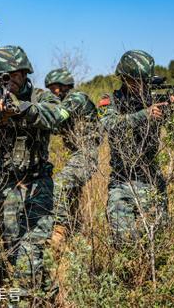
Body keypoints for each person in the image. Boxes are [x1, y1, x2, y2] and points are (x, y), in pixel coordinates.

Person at [0, 45, 67, 300]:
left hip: (38, 184)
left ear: (25, 72)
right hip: (7, 187)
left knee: (31, 251)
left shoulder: (41, 97)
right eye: (2, 77)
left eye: (13, 75)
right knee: (16, 252)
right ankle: (47, 297)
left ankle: (33, 299)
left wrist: (27, 110)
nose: (9, 81)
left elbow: (58, 117)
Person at [99, 50, 174, 246]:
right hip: (121, 181)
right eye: (133, 80)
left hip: (152, 180)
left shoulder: (156, 98)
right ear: (123, 78)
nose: (139, 86)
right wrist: (144, 114)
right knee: (123, 242)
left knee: (157, 242)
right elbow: (108, 124)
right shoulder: (110, 100)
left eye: (142, 81)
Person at [44, 68, 100, 246]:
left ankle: (58, 231)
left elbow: (58, 117)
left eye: (55, 88)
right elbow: (52, 128)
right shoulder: (64, 102)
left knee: (59, 185)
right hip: (75, 155)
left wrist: (44, 108)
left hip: (86, 153)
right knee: (72, 200)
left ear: (65, 86)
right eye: (50, 89)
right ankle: (75, 241)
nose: (53, 92)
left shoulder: (76, 98)